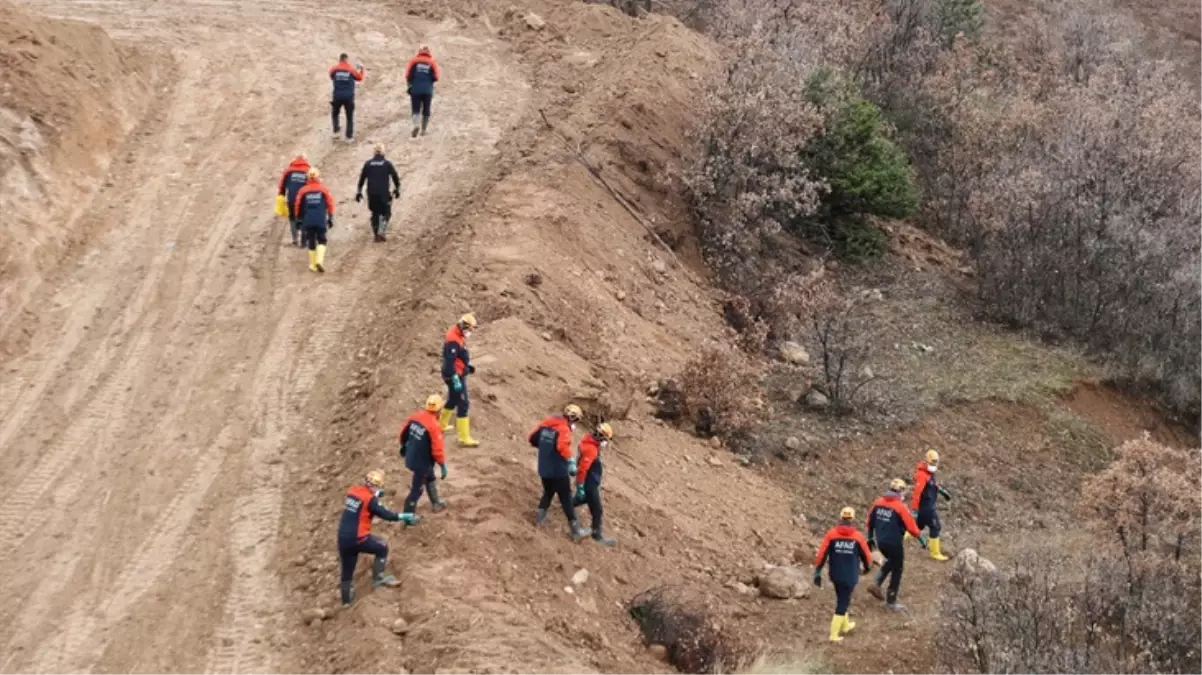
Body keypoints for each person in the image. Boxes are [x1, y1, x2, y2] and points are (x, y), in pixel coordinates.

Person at [336, 470, 416, 606]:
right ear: (375, 486)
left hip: (343, 538)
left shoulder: (353, 491)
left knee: (347, 568)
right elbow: (385, 514)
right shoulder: (370, 500)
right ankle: (378, 578)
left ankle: (346, 601)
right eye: (378, 487)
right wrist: (402, 516)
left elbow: (363, 499)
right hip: (358, 538)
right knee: (382, 548)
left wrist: (375, 495)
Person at [529, 404, 591, 542]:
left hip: (543, 468)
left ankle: (539, 521)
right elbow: (562, 446)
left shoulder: (547, 424)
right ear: (573, 418)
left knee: (548, 492)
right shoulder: (563, 428)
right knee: (566, 498)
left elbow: (532, 438)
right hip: (558, 470)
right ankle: (576, 530)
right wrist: (570, 462)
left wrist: (546, 450)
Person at [813, 507, 872, 642]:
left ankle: (845, 626)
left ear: (840, 518)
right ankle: (833, 635)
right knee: (843, 603)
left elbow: (821, 554)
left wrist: (817, 572)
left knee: (841, 598)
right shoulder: (857, 537)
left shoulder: (831, 535)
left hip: (835, 574)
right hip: (850, 575)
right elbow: (867, 556)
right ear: (853, 519)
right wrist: (868, 568)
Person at [866, 478, 927, 611]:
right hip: (894, 542)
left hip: (880, 541)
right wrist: (922, 540)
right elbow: (911, 527)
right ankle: (891, 601)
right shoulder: (900, 507)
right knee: (897, 569)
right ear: (900, 492)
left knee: (891, 562)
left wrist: (869, 537)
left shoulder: (878, 503)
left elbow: (869, 521)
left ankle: (876, 583)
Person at [400, 394, 449, 518]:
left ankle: (436, 503)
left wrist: (403, 445)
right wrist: (442, 465)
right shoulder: (434, 426)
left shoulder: (416, 417)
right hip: (422, 463)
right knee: (417, 489)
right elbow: (437, 450)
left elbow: (403, 432)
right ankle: (408, 515)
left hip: (411, 456)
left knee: (430, 477)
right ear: (439, 411)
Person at [573, 422, 616, 546]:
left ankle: (566, 504)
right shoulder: (591, 449)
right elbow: (582, 469)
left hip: (589, 481)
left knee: (584, 499)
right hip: (589, 483)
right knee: (597, 510)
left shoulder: (588, 442)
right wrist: (580, 485)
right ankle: (597, 535)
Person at [440, 313, 480, 447]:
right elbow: (449, 363)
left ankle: (441, 425)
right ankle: (464, 438)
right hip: (454, 375)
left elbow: (457, 357)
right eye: (470, 329)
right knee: (463, 403)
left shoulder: (457, 335)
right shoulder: (453, 339)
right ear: (464, 326)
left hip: (458, 372)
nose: (470, 332)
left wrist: (466, 367)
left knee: (452, 399)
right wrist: (455, 378)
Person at [912, 449, 953, 561]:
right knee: (935, 527)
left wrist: (942, 492)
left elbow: (933, 486)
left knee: (917, 526)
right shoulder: (922, 475)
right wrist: (914, 510)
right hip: (926, 507)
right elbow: (917, 493)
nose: (934, 464)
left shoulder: (930, 474)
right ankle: (935, 553)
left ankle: (901, 538)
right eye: (932, 462)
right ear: (926, 461)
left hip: (927, 505)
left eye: (936, 462)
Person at [355, 143, 401, 242]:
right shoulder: (387, 164)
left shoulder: (368, 164)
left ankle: (376, 233)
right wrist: (397, 189)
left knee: (375, 212)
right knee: (386, 212)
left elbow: (361, 179)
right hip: (383, 193)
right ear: (383, 152)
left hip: (371, 193)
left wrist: (359, 192)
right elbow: (395, 177)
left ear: (374, 152)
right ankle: (381, 230)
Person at [293, 168, 335, 273]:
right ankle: (319, 261)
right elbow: (330, 203)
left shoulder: (303, 191)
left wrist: (298, 219)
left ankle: (312, 265)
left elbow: (297, 205)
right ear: (318, 177)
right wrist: (330, 217)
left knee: (311, 240)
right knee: (322, 240)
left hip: (308, 220)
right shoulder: (323, 190)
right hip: (320, 219)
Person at [405, 45, 441, 138]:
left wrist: (410, 85)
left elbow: (408, 75)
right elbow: (436, 77)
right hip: (428, 90)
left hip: (415, 89)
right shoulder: (432, 62)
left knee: (416, 109)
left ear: (419, 51)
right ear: (429, 52)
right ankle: (424, 130)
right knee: (426, 109)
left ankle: (416, 124)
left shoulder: (413, 61)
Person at [329, 53, 365, 140]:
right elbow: (360, 78)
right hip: (349, 97)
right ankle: (349, 137)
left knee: (335, 113)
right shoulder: (351, 70)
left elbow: (331, 75)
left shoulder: (334, 69)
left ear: (340, 59)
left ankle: (336, 131)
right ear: (346, 59)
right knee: (349, 116)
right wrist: (362, 69)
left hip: (337, 96)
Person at [277, 153, 311, 247]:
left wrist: (281, 195)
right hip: (304, 199)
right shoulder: (308, 171)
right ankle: (304, 240)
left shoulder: (288, 171)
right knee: (304, 218)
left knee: (292, 218)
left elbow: (282, 185)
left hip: (292, 199)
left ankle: (295, 239)